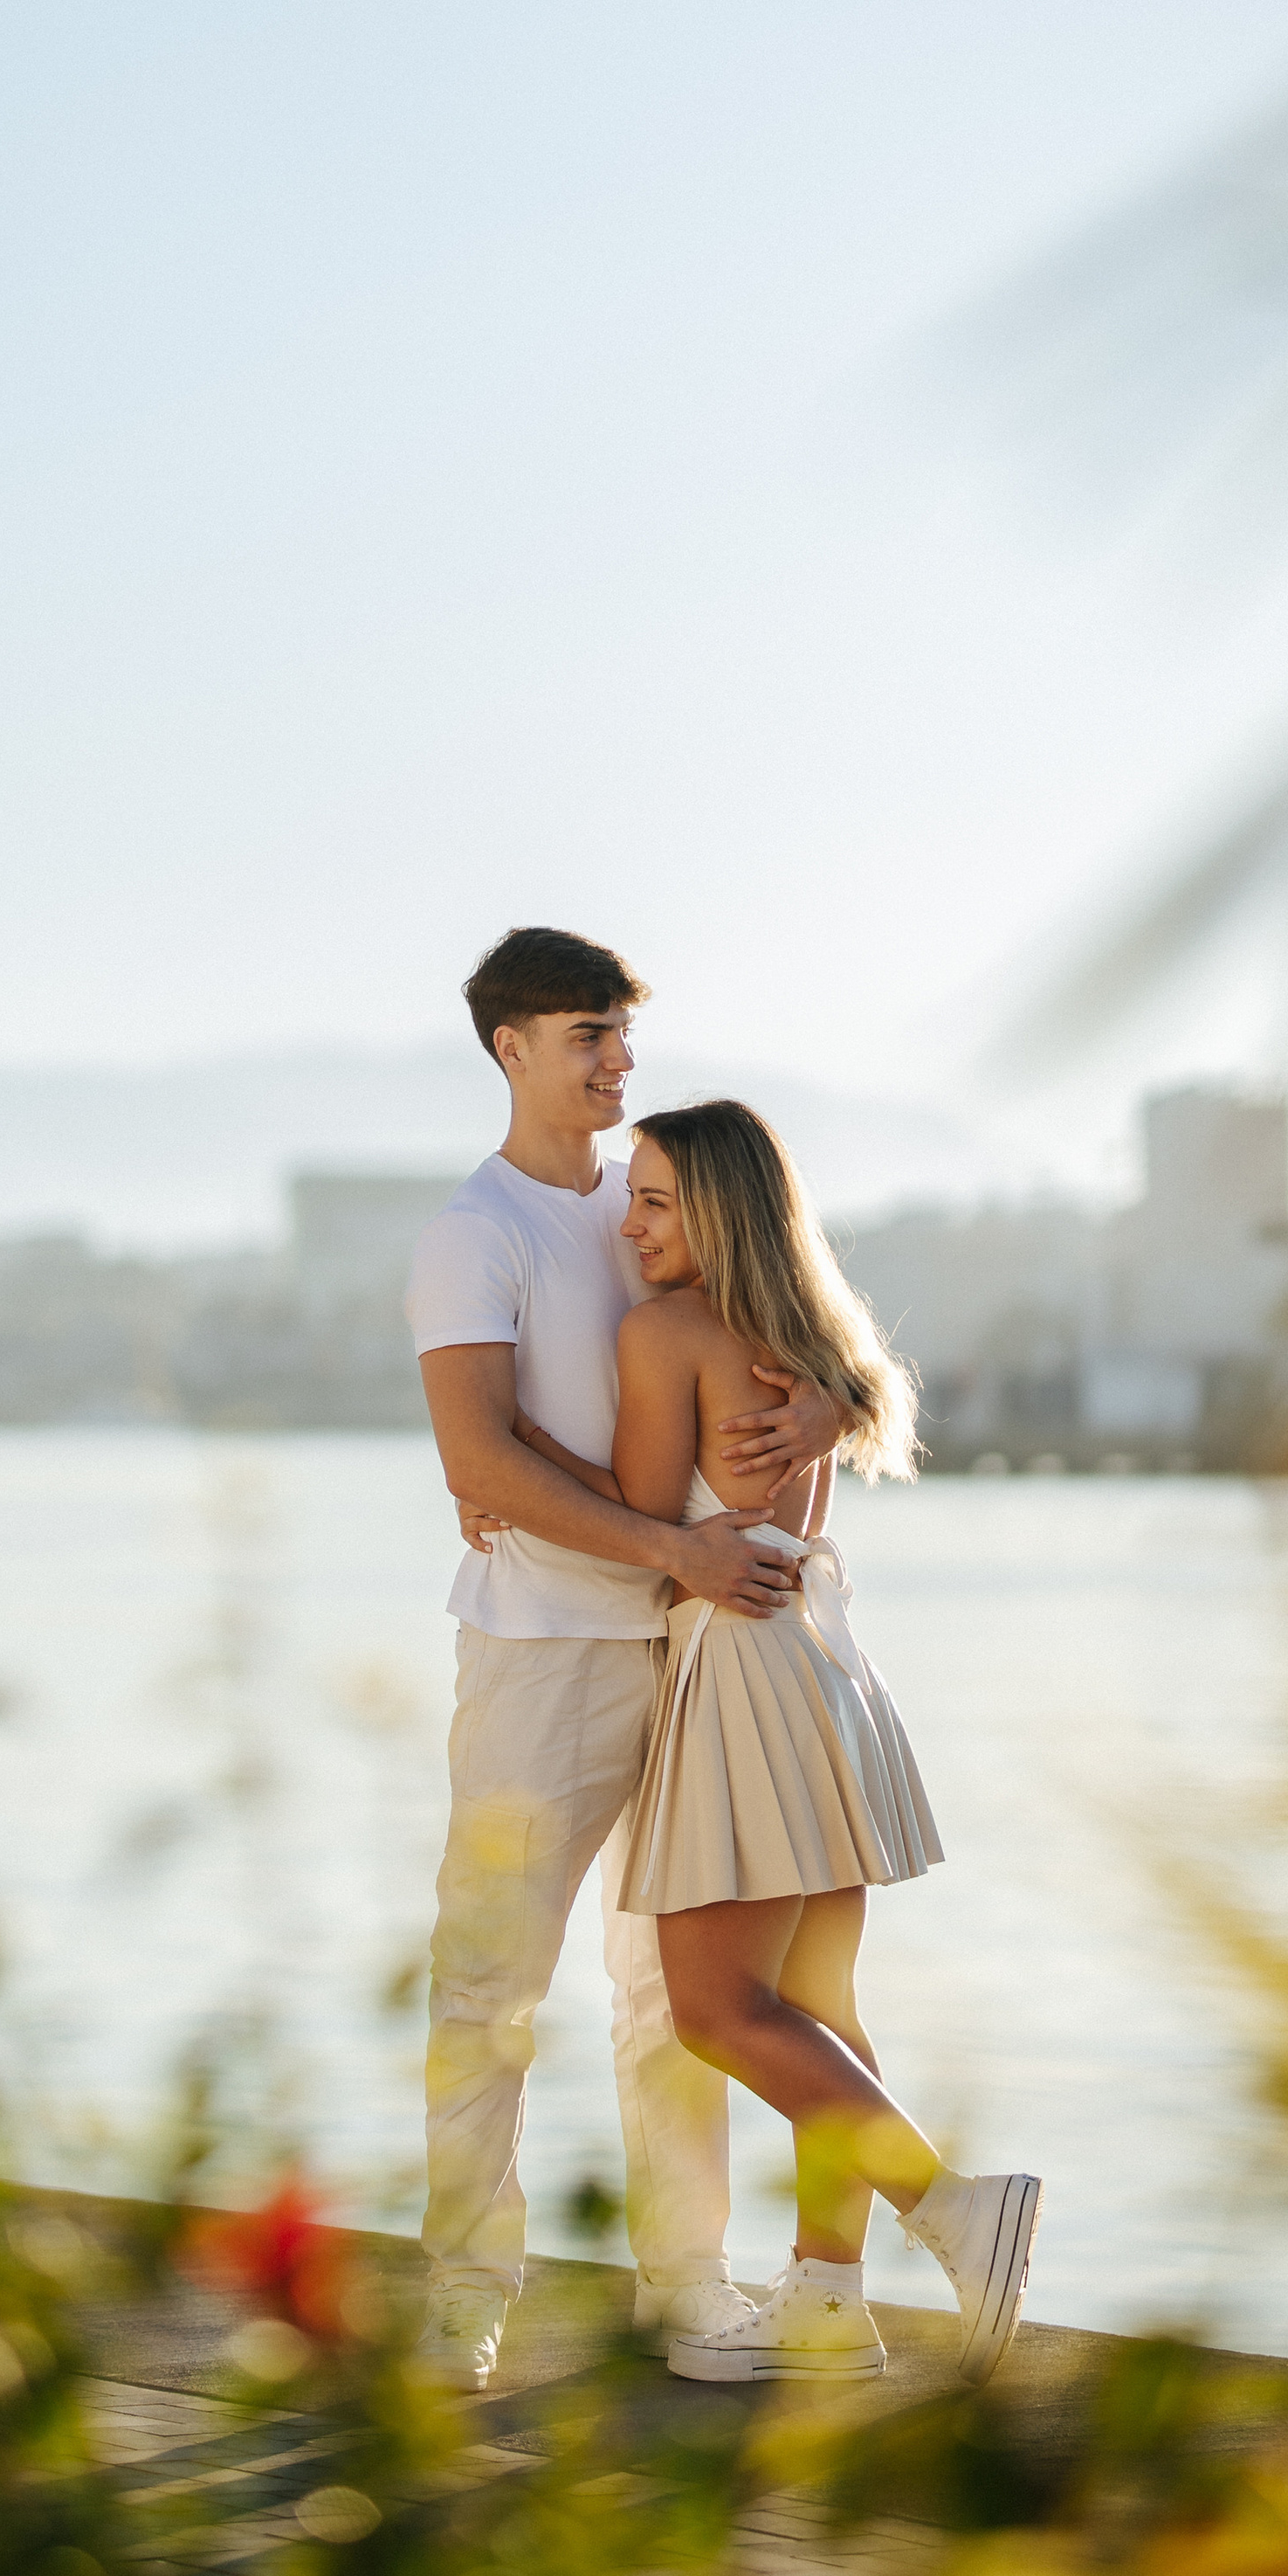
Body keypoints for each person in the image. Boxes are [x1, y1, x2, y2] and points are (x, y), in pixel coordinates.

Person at [511, 1095, 1041, 2386]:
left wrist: (508, 1453)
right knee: (819, 2013)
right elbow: (842, 1422)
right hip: (823, 1668)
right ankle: (823, 2300)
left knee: (714, 2010)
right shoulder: (809, 1340)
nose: (629, 1226)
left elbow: (649, 1523)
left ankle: (956, 2209)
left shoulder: (667, 1334)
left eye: (654, 1200)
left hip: (742, 1673)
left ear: (721, 1214)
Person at [404, 928, 850, 2391]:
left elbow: (783, 1313)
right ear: (509, 1049)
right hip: (541, 1658)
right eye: (588, 1035)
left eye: (622, 1036)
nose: (617, 1062)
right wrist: (673, 1551)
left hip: (690, 1658)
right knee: (489, 1988)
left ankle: (689, 2287)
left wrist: (832, 1412)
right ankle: (463, 2297)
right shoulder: (474, 1233)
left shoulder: (643, 1208)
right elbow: (475, 1451)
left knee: (669, 1991)